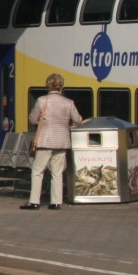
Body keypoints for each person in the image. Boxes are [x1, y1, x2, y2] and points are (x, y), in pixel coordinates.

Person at [21, 73, 83, 210]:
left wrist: (40, 122)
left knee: (37, 171)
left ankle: (34, 201)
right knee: (57, 173)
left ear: (47, 85)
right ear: (61, 86)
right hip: (62, 142)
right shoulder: (68, 102)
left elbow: (32, 119)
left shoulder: (42, 101)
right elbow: (78, 120)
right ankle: (56, 202)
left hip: (45, 141)